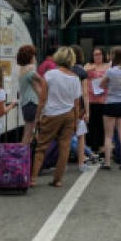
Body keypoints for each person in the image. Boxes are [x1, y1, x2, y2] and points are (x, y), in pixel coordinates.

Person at [31, 47, 82, 188]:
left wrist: (37, 117)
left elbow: (42, 99)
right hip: (69, 115)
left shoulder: (50, 75)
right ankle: (58, 180)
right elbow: (77, 104)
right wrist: (77, 121)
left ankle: (33, 178)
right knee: (64, 147)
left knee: (41, 147)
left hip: (51, 114)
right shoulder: (75, 78)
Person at [16, 44, 46, 145]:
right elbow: (43, 82)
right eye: (34, 55)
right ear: (31, 57)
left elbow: (35, 87)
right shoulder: (30, 69)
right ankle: (21, 157)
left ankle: (28, 157)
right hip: (32, 104)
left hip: (26, 104)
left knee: (30, 133)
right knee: (28, 134)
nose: (35, 58)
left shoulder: (22, 70)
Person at [70, 45, 91, 172]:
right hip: (79, 107)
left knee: (65, 135)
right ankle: (81, 162)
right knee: (80, 135)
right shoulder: (82, 72)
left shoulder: (63, 70)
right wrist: (87, 111)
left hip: (65, 106)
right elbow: (85, 93)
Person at [84, 47, 109, 152]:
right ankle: (91, 147)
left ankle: (102, 148)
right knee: (91, 124)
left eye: (99, 54)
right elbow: (82, 73)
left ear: (103, 55)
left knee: (102, 124)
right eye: (95, 54)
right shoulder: (88, 65)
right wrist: (90, 69)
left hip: (104, 98)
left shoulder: (108, 66)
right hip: (90, 98)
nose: (97, 56)